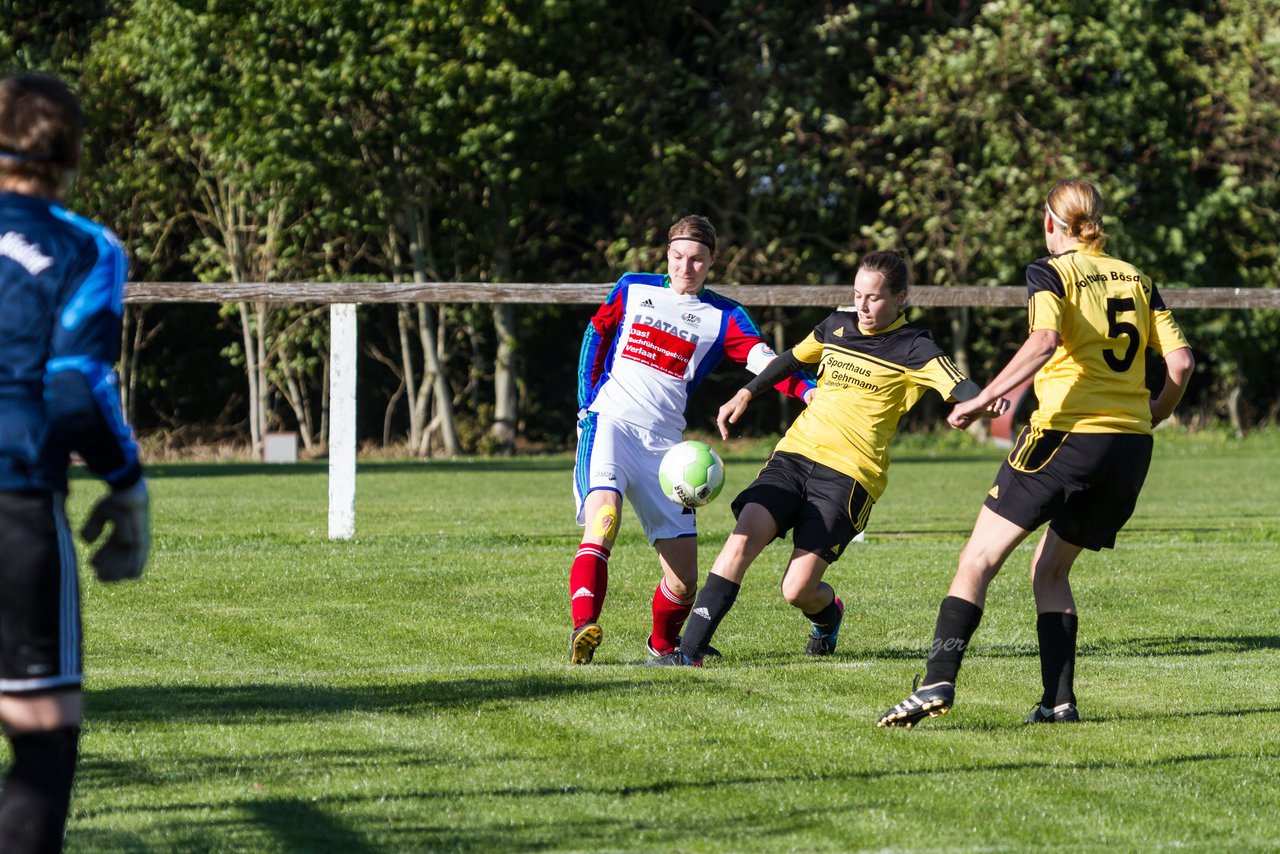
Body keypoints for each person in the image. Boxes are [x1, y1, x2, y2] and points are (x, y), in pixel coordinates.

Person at [877, 179, 1194, 728]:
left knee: (976, 560)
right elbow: (1182, 363)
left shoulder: (1050, 272)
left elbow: (1043, 342)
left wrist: (980, 401)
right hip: (1130, 449)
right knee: (1049, 571)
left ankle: (935, 680)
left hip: (1065, 437)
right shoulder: (1139, 279)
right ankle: (1058, 703)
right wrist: (1155, 413)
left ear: (1051, 223)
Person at [647, 250, 1005, 667]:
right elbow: (791, 360)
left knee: (796, 589)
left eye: (874, 298)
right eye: (857, 295)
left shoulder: (915, 347)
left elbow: (961, 387)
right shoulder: (837, 325)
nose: (863, 306)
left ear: (901, 298)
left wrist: (984, 402)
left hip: (850, 477)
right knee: (742, 538)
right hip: (794, 455)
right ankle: (688, 652)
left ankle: (828, 614)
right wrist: (746, 392)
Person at [0, 73, 149, 851]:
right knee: (42, 736)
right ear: (70, 154)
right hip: (15, 502)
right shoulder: (87, 248)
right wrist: (128, 486)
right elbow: (75, 386)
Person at [568, 214, 814, 664]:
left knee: (683, 583)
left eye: (697, 260)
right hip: (611, 426)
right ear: (667, 254)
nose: (687, 268)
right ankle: (584, 628)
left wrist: (807, 390)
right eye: (678, 257)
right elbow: (596, 333)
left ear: (712, 261)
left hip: (666, 450)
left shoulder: (724, 315)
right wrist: (587, 403)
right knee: (604, 519)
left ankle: (661, 645)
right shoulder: (633, 287)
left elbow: (765, 361)